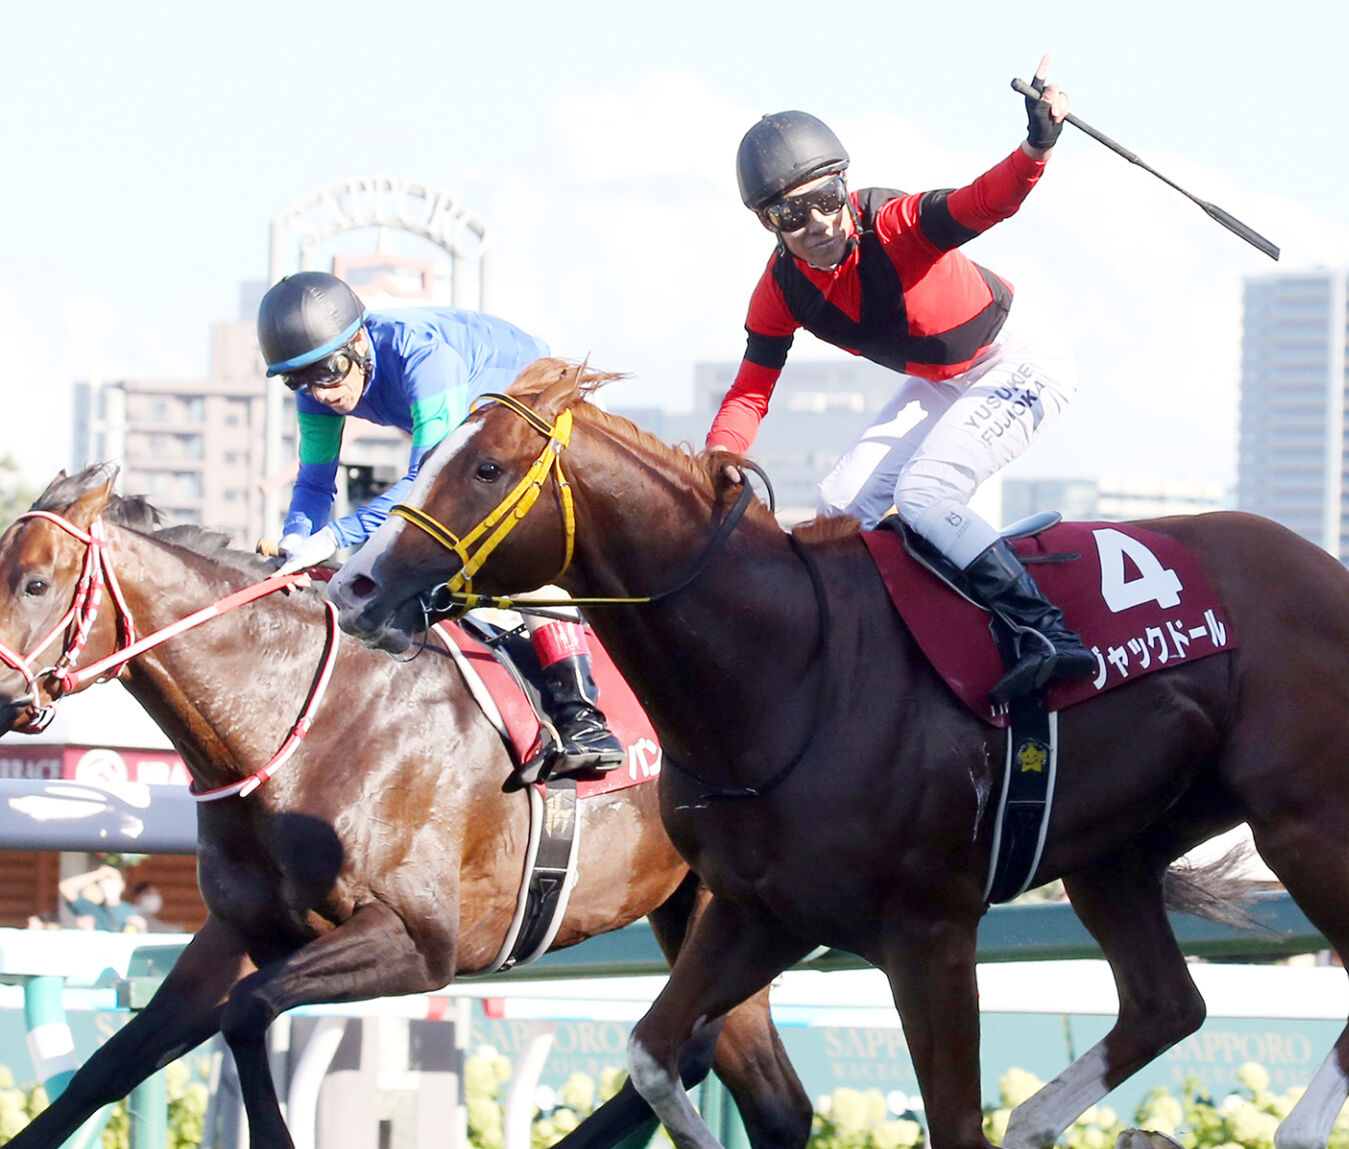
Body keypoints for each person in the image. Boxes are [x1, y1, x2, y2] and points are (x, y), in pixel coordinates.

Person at [705, 56, 1095, 706]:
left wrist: (1037, 144)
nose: (818, 226)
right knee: (838, 504)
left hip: (1023, 356)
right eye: (790, 218)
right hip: (944, 379)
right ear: (767, 227)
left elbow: (989, 200)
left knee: (924, 492)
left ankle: (1045, 632)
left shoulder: (895, 224)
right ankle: (864, 645)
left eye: (826, 202)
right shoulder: (778, 292)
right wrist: (720, 457)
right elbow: (751, 391)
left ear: (844, 188)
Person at [257, 272, 623, 776]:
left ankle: (582, 717)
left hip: (539, 406)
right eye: (300, 380)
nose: (321, 391)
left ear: (360, 341)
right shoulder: (319, 389)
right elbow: (315, 482)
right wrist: (295, 540)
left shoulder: (423, 357)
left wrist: (332, 538)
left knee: (510, 547)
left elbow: (421, 484)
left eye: (331, 370)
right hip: (476, 441)